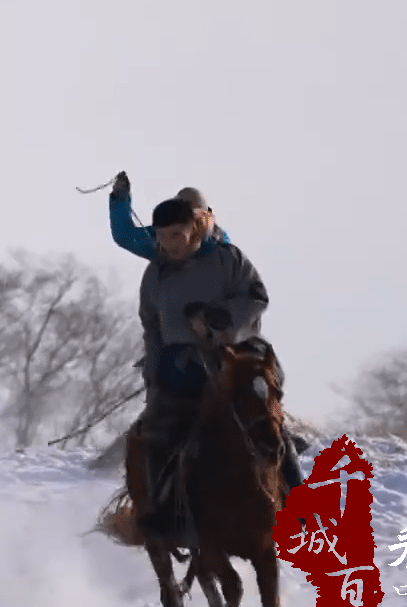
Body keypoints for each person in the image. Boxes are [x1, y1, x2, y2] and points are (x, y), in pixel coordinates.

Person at [131, 198, 302, 537]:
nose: (170, 245)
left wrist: (220, 317)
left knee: (267, 424)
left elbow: (257, 297)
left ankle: (298, 505)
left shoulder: (228, 260)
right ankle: (159, 513)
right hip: (180, 364)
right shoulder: (156, 274)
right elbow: (150, 326)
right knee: (155, 431)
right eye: (163, 238)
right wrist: (153, 369)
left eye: (177, 236)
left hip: (236, 353)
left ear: (194, 228)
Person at [108, 171, 231, 260]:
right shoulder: (162, 238)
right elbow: (125, 235)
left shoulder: (219, 248)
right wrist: (120, 196)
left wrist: (120, 197)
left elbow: (125, 236)